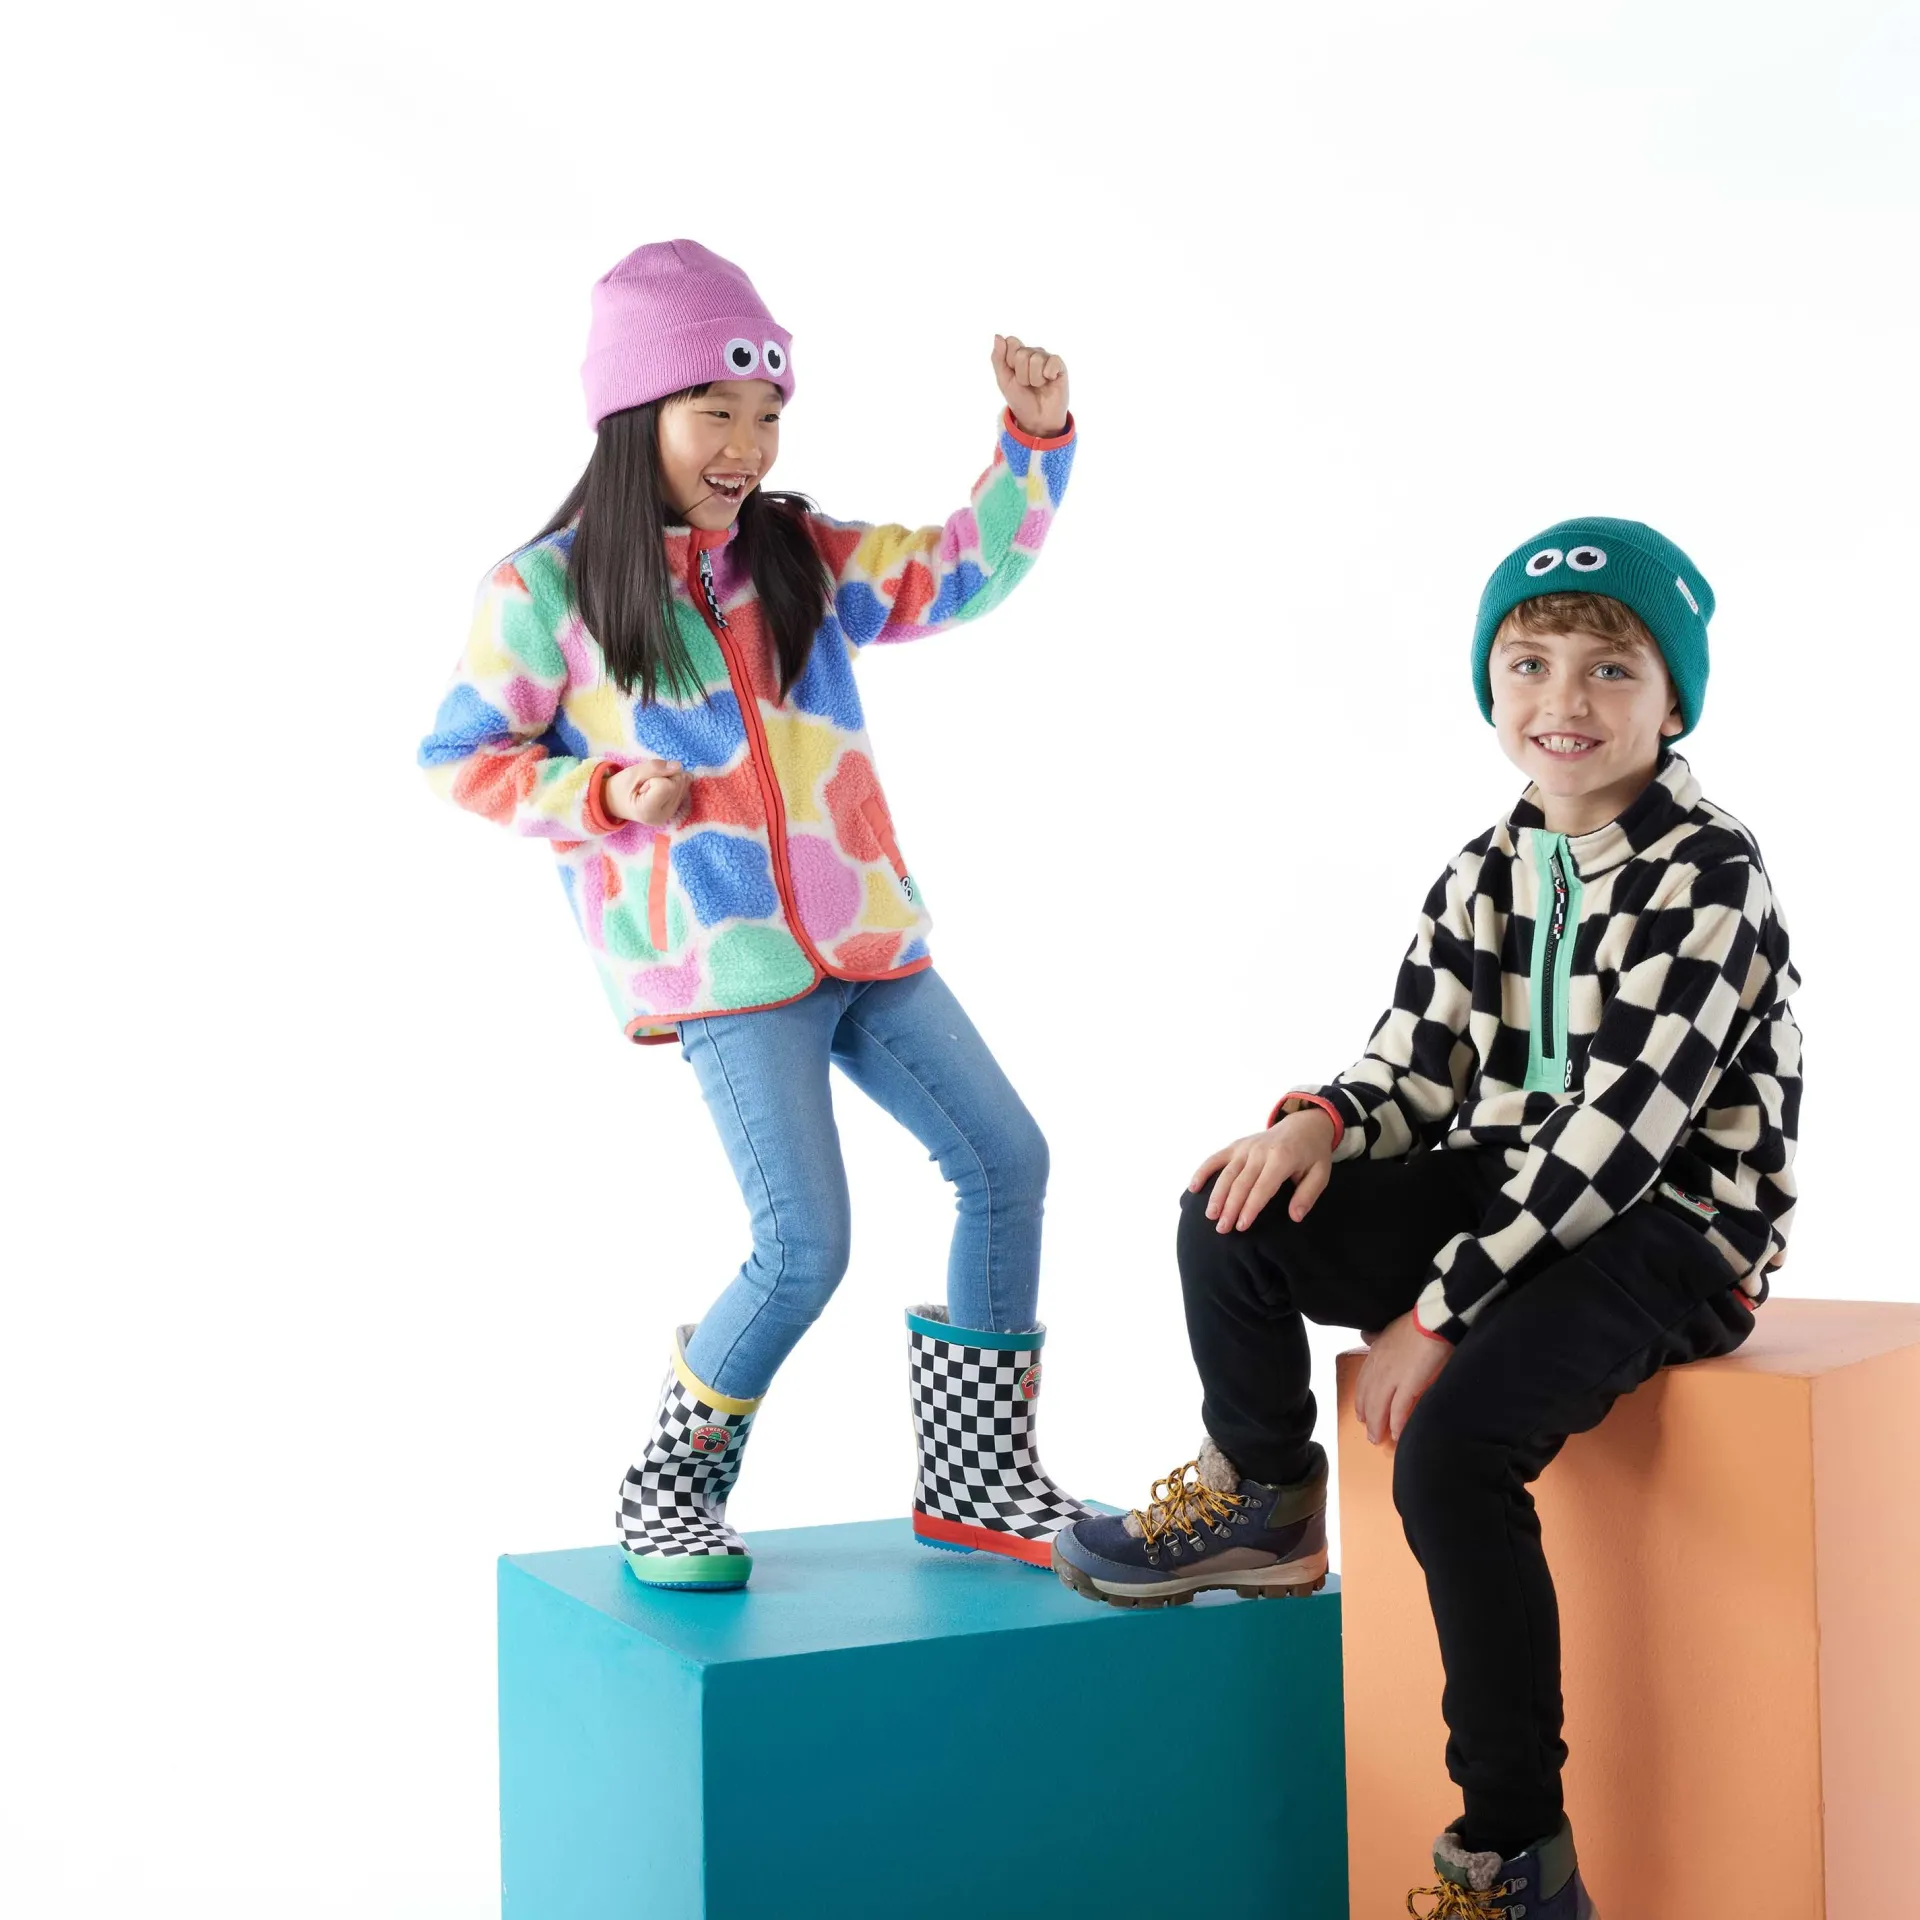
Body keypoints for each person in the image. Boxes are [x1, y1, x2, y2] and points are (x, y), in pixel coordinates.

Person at [1052, 518, 1801, 1918]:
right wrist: (1317, 1125)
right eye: (1529, 664)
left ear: (1673, 703)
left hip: (1677, 1225)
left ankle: (1516, 1854)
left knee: (1452, 1455)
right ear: (1490, 684)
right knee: (1230, 1215)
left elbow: (1621, 1140)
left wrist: (1439, 1314)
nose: (1563, 701)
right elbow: (1416, 1070)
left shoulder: (1710, 874)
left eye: (1610, 670)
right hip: (1515, 1187)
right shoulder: (1485, 866)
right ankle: (1265, 1497)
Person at [419, 240, 1091, 1591]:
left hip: (865, 936)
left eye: (768, 412)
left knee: (1006, 1160)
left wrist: (1032, 445)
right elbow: (462, 758)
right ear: (635, 412)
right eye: (714, 410)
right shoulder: (545, 591)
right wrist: (604, 791)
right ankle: (669, 1487)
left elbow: (955, 571)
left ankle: (977, 1476)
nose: (747, 444)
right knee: (803, 1248)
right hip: (722, 962)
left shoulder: (791, 552)